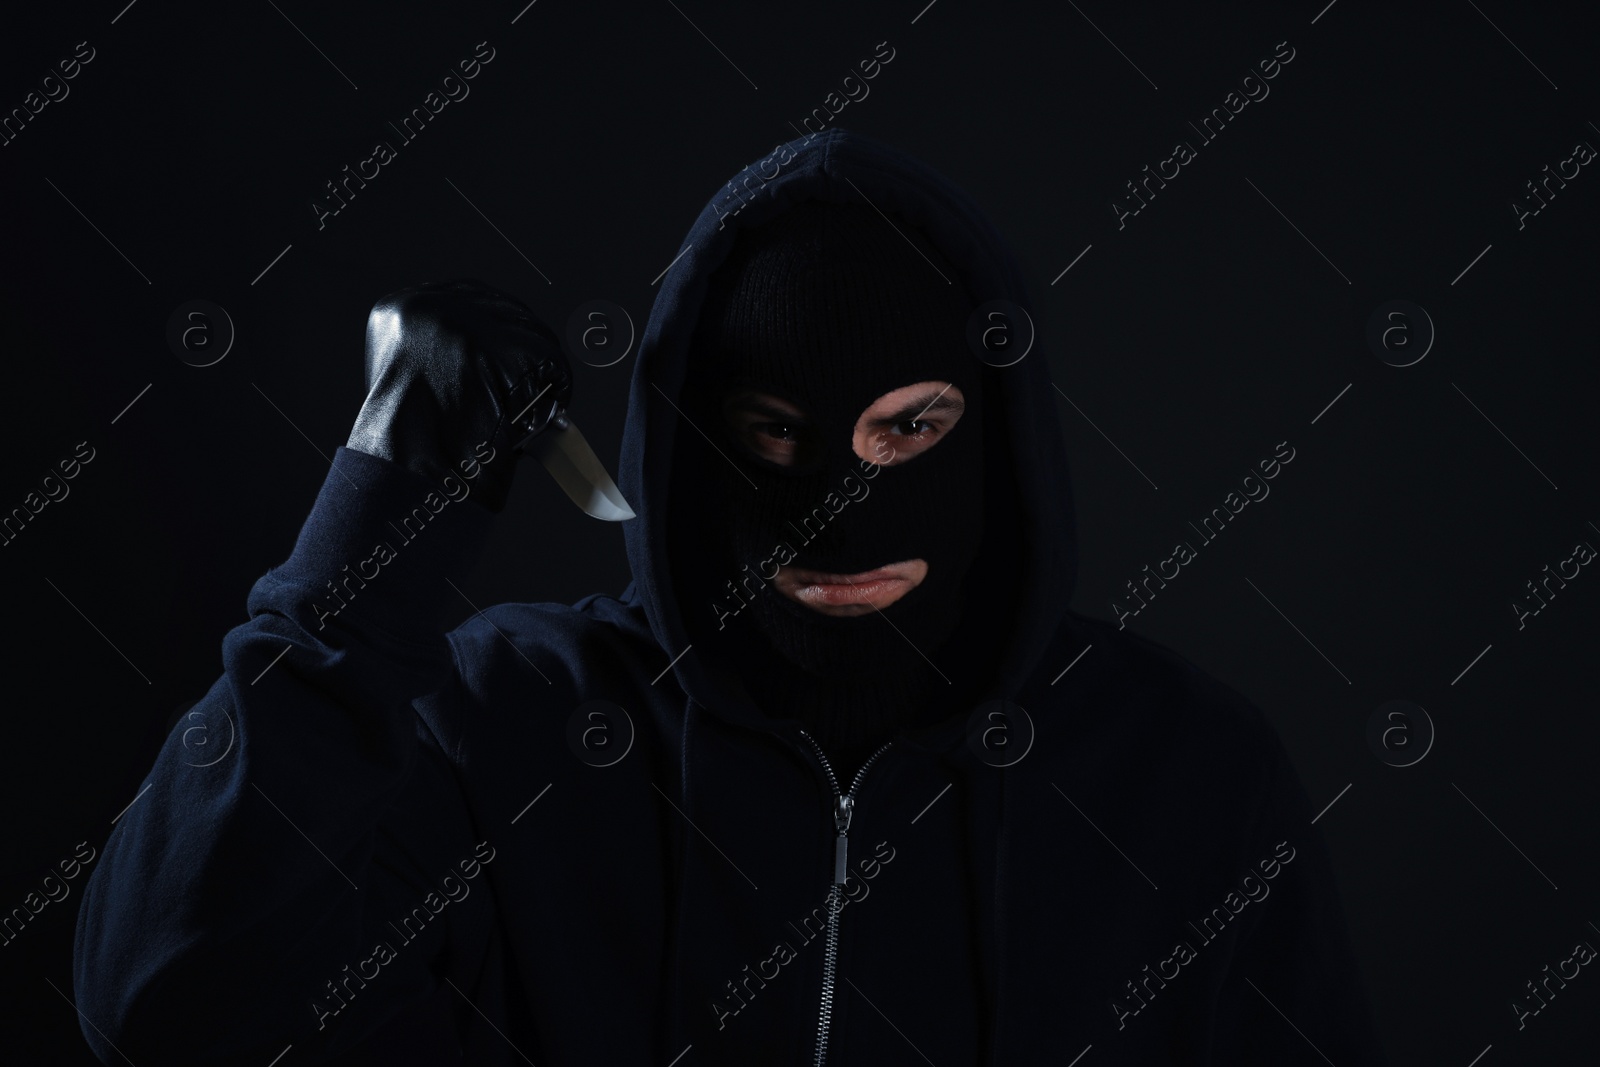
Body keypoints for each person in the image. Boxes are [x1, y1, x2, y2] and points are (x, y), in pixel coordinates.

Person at [73, 126, 1387, 1065]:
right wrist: (379, 509)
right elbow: (163, 1000)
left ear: (996, 431)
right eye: (772, 434)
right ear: (688, 437)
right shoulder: (504, 724)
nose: (837, 507)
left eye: (910, 430)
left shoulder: (1182, 774)